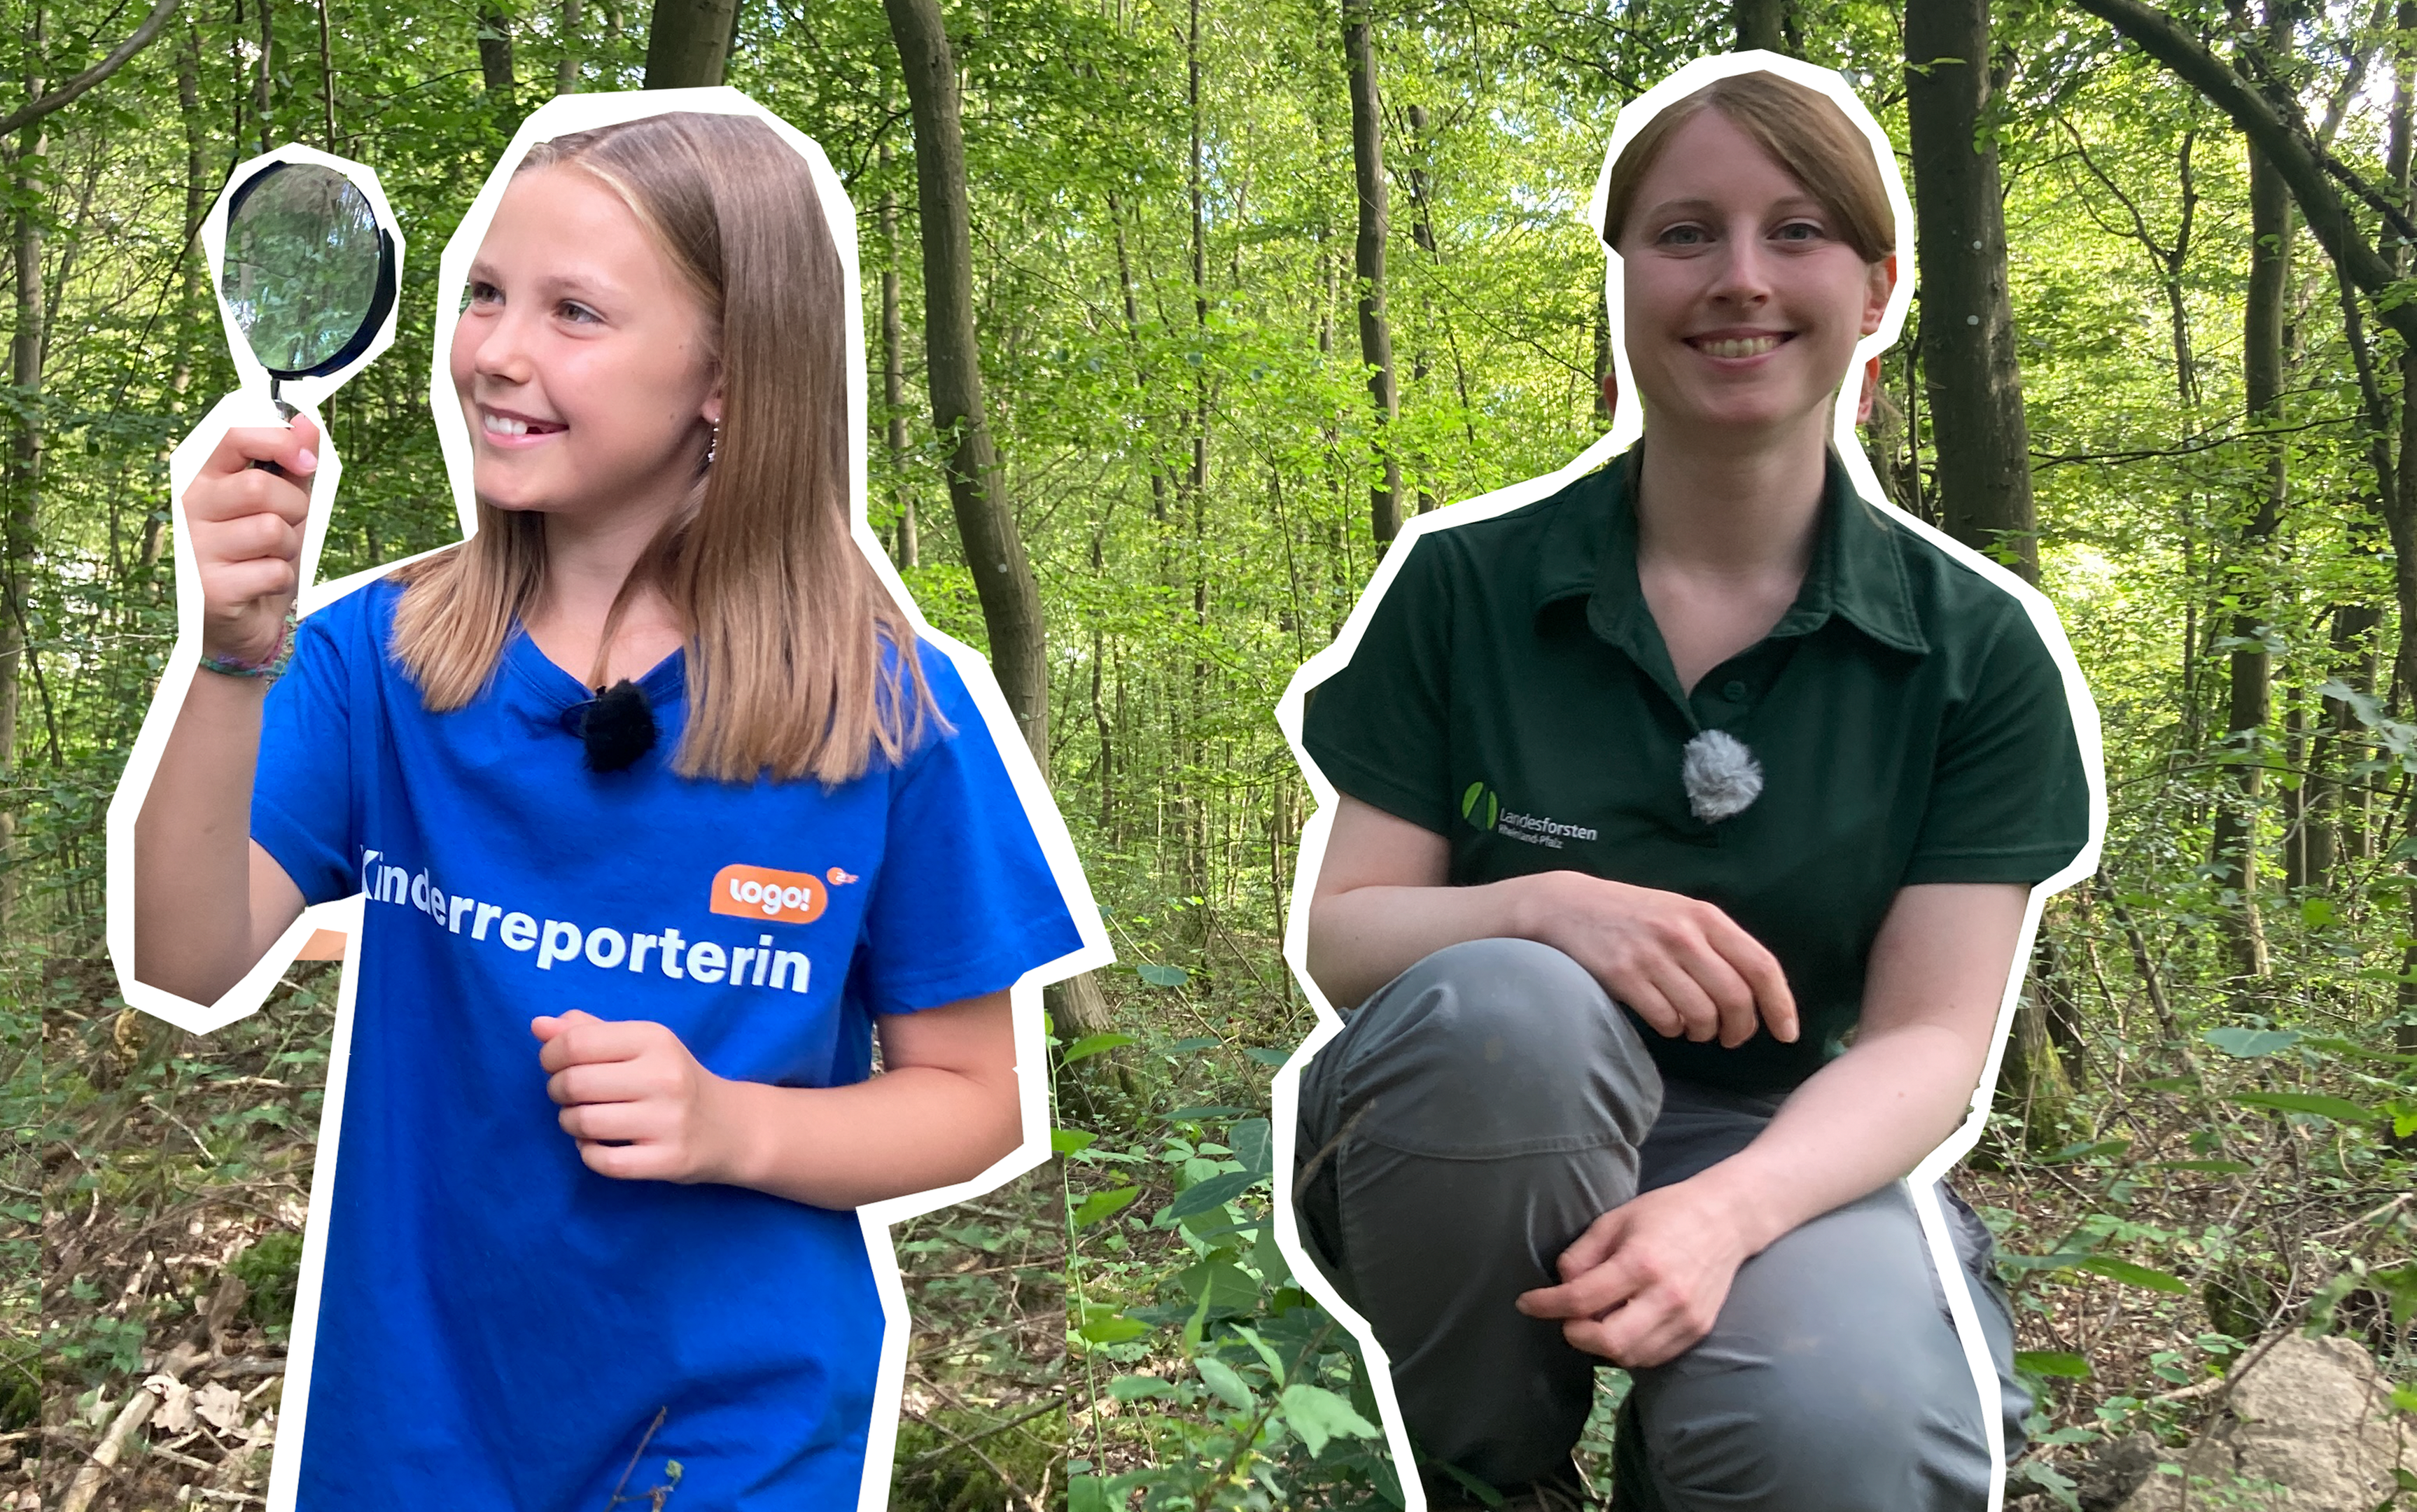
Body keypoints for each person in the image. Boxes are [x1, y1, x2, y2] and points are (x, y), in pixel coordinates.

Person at [129, 105, 1087, 1511]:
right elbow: (183, 955)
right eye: (484, 295)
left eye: (575, 311)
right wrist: (231, 656)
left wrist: (732, 1126)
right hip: (414, 1437)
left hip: (734, 1446)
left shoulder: (890, 710)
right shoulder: (373, 659)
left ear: (730, 378)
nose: (497, 353)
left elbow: (976, 1104)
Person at [1288, 64, 2095, 1512]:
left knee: (1851, 1436)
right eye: (1683, 234)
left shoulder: (1975, 650)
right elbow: (1344, 937)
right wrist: (1545, 909)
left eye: (1795, 233)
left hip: (1792, 1145)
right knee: (1503, 1009)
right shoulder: (1462, 589)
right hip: (1478, 1120)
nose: (1739, 279)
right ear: (1622, 280)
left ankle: (1709, 1447)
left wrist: (1727, 1214)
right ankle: (1493, 1481)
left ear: (1877, 289)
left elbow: (1925, 1044)